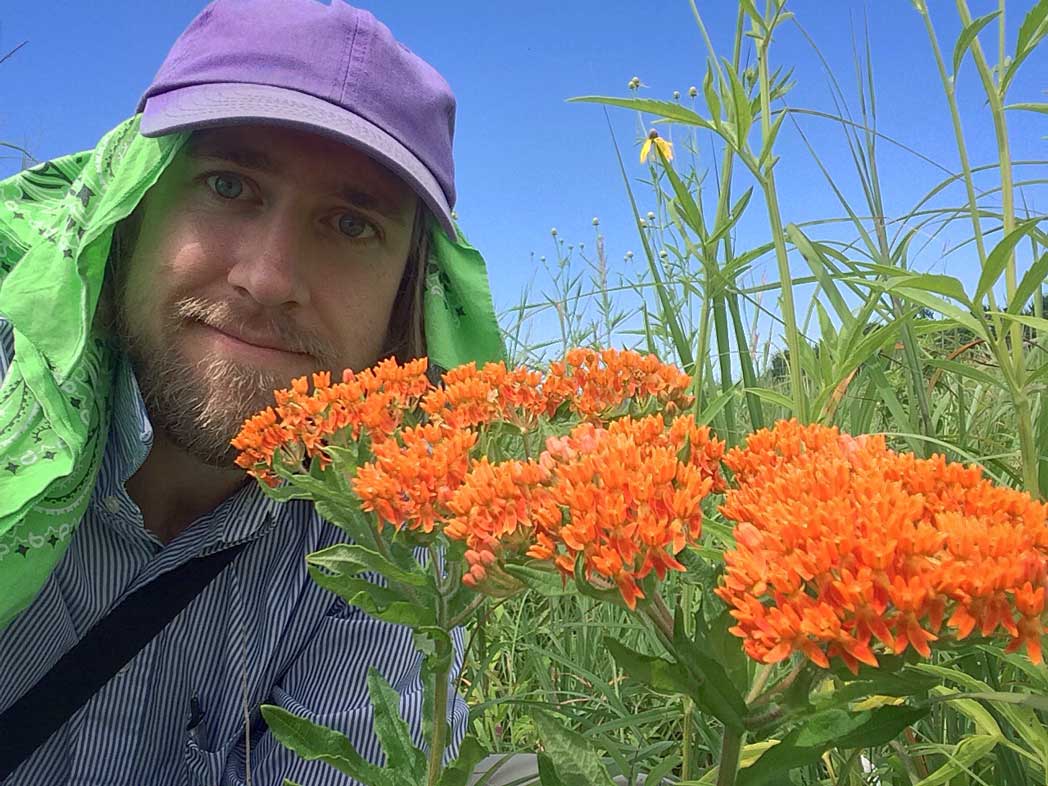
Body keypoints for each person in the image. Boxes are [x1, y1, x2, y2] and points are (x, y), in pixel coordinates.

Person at [0, 1, 505, 783]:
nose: (267, 280)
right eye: (229, 184)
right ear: (129, 211)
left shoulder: (394, 544)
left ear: (409, 296)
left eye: (348, 225)